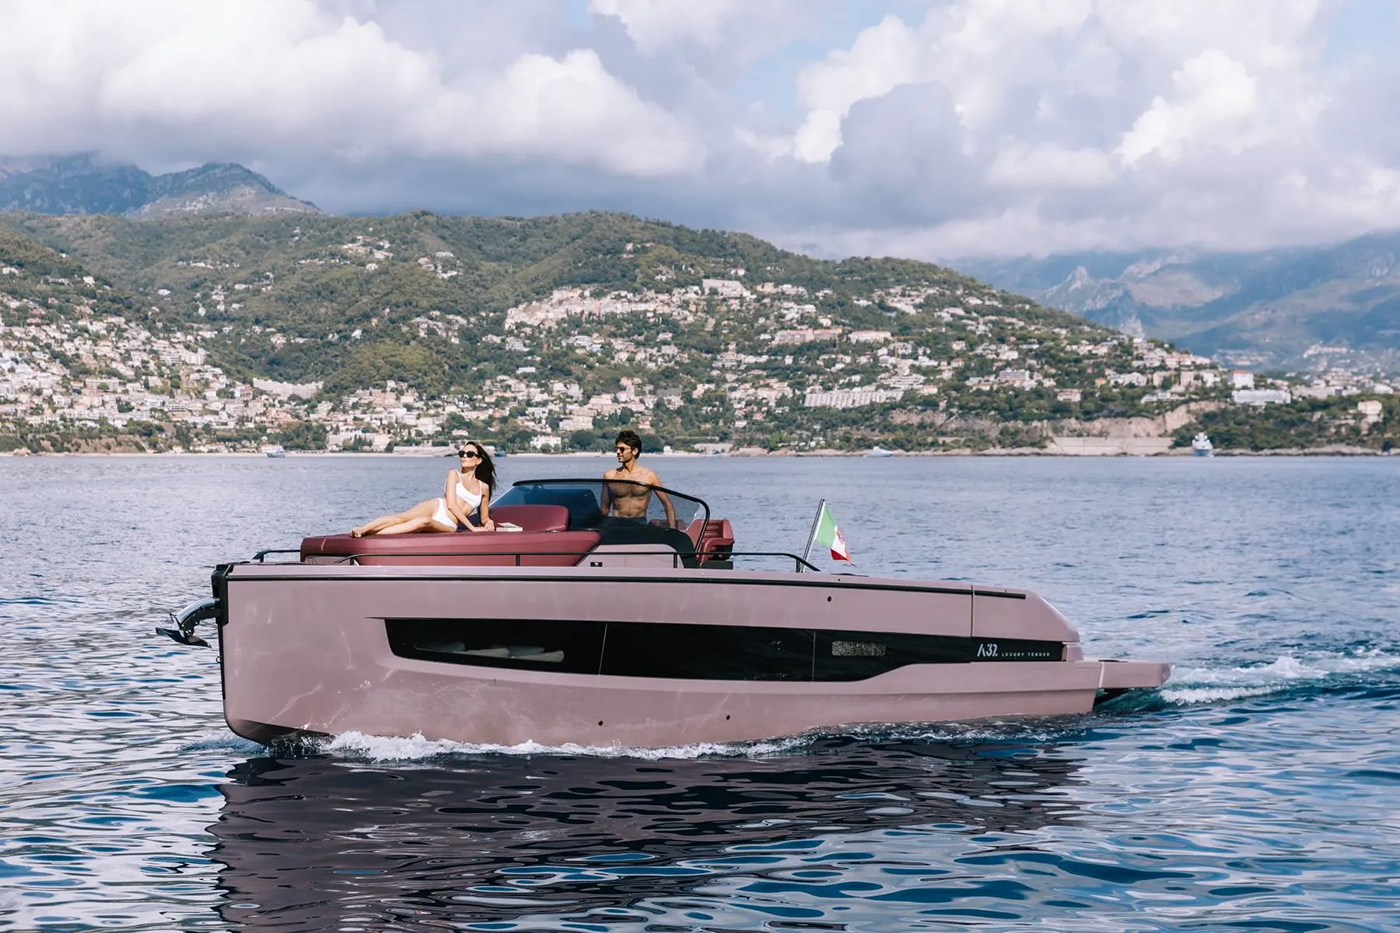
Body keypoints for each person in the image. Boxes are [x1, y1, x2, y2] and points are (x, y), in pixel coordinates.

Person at [350, 443, 497, 536]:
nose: (464, 456)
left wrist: (488, 521)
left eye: (469, 454)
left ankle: (373, 534)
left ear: (478, 460)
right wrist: (472, 528)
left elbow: (484, 517)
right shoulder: (454, 474)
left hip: (450, 525)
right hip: (438, 507)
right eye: (462, 454)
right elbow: (452, 505)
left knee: (423, 522)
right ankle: (363, 529)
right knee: (401, 518)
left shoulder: (483, 487)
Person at [601, 430, 675, 528]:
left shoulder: (649, 476)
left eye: (622, 449)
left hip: (640, 524)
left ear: (634, 451)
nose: (618, 452)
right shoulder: (610, 476)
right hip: (617, 525)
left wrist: (673, 529)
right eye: (616, 449)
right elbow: (604, 510)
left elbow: (667, 504)